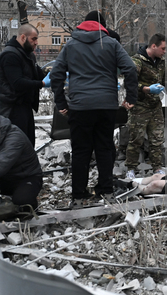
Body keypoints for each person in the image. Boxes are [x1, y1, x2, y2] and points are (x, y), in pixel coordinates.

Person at [50, 11, 138, 208]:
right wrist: (131, 98)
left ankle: (79, 196)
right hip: (106, 106)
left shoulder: (70, 45)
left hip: (80, 107)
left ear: (83, 24)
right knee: (105, 148)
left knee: (81, 151)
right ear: (103, 26)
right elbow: (130, 68)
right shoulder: (111, 44)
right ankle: (106, 191)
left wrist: (61, 104)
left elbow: (56, 75)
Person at [124, 33, 167, 179]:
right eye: (163, 48)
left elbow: (165, 81)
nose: (165, 51)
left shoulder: (161, 62)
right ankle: (131, 168)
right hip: (140, 106)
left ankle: (157, 167)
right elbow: (130, 83)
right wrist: (147, 89)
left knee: (157, 139)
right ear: (153, 46)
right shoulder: (137, 61)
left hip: (155, 106)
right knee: (136, 139)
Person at [0, 24, 45, 147]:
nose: (36, 42)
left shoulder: (27, 54)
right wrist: (41, 84)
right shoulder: (10, 55)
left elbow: (37, 74)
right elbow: (17, 83)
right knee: (15, 145)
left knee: (28, 143)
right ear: (23, 37)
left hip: (24, 106)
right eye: (33, 39)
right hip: (10, 109)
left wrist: (53, 76)